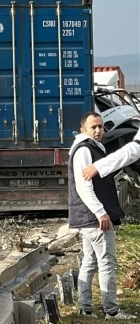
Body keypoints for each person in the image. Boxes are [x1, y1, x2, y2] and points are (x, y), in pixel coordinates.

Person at [68, 111, 137, 320]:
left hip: (86, 217)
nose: (98, 131)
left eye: (100, 126)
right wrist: (100, 212)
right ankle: (111, 311)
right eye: (93, 127)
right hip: (93, 217)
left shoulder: (91, 148)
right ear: (83, 130)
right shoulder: (84, 150)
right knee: (107, 262)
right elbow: (83, 186)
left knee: (90, 261)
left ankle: (86, 308)